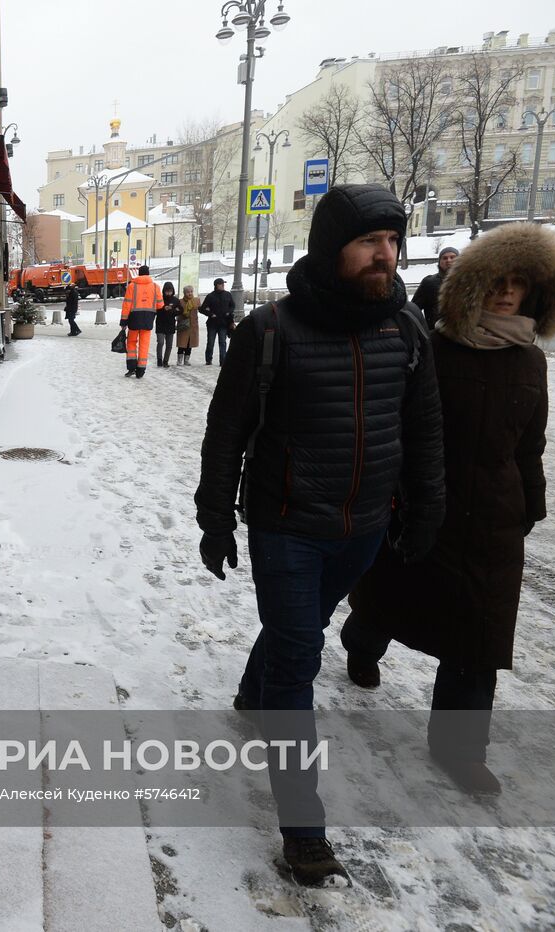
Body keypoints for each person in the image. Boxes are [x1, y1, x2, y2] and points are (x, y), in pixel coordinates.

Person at [194, 184, 445, 887]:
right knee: (299, 657)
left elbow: (426, 430)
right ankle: (304, 831)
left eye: (393, 242)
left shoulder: (406, 331)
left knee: (294, 633)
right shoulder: (270, 330)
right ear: (333, 247)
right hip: (285, 527)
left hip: (364, 528)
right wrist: (215, 516)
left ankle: (253, 685)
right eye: (370, 242)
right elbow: (227, 434)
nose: (385, 255)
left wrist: (426, 508)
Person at [341, 223, 555, 796]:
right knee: (391, 598)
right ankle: (362, 640)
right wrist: (396, 495)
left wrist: (532, 502)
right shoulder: (434, 348)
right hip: (428, 504)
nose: (506, 293)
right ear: (472, 286)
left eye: (517, 284)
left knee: (481, 634)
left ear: (534, 293)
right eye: (496, 282)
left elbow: (530, 443)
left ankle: (460, 748)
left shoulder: (530, 362)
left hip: (496, 518)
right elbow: (399, 428)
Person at [119, 264, 161, 378]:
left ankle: (131, 367)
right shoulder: (156, 287)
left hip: (133, 319)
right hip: (148, 320)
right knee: (144, 344)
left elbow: (126, 305)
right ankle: (141, 371)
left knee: (131, 342)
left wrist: (123, 321)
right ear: (148, 274)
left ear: (139, 273)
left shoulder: (132, 286)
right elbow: (160, 305)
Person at [411, 245, 460, 329]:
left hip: (464, 335)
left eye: (452, 257)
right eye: (444, 258)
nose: (448, 260)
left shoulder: (468, 281)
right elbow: (413, 309)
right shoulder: (429, 283)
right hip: (436, 334)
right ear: (439, 262)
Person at [200, 277, 236, 365]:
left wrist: (229, 312)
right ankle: (208, 360)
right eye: (221, 284)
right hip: (212, 323)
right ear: (216, 285)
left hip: (224, 323)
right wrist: (210, 314)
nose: (223, 285)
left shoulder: (228, 294)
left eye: (223, 284)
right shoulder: (210, 296)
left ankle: (223, 361)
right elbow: (202, 309)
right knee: (210, 342)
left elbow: (233, 306)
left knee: (222, 342)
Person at [153, 281, 179, 367]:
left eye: (170, 291)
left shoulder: (175, 300)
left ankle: (166, 361)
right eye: (167, 291)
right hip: (160, 324)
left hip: (170, 324)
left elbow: (180, 310)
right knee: (160, 342)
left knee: (169, 345)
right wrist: (164, 308)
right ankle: (159, 360)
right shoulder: (159, 299)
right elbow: (155, 310)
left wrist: (172, 310)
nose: (168, 293)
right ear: (164, 291)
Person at [175, 284, 201, 365]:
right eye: (187, 292)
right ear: (184, 293)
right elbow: (177, 312)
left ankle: (186, 360)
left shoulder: (196, 300)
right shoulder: (180, 301)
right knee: (182, 344)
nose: (189, 293)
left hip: (193, 326)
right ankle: (179, 360)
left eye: (191, 291)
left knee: (190, 344)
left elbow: (202, 309)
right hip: (183, 325)